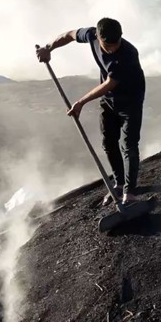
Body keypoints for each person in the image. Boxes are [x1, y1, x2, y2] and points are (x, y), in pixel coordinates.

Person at [36, 18, 146, 204]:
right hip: (109, 101)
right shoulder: (90, 35)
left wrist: (81, 102)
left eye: (116, 43)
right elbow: (69, 35)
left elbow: (110, 83)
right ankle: (118, 184)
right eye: (108, 45)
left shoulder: (127, 53)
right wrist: (48, 48)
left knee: (128, 145)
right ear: (98, 37)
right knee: (109, 142)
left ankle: (130, 192)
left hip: (130, 102)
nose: (113, 48)